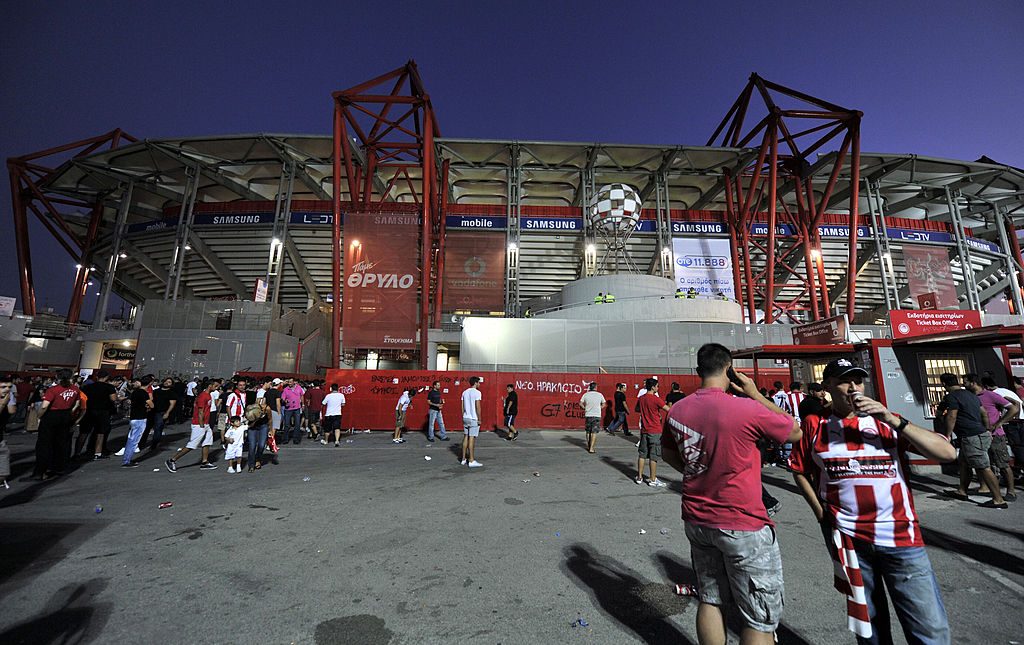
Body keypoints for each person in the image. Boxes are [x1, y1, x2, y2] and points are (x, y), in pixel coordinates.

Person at [790, 357, 955, 644]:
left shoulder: (886, 421)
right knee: (869, 629)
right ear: (827, 386)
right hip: (849, 541)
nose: (853, 388)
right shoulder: (815, 424)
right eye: (844, 381)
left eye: (858, 381)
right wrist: (820, 513)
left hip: (900, 537)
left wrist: (893, 420)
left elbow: (947, 453)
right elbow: (799, 469)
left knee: (928, 628)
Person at [660, 343, 800, 645]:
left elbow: (668, 454)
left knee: (710, 598)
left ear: (698, 371)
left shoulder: (678, 410)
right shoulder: (746, 408)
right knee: (758, 618)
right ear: (729, 369)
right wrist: (755, 393)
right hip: (742, 521)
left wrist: (697, 469)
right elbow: (794, 432)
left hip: (698, 519)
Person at [940, 373, 1006, 508]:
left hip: (972, 436)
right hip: (978, 434)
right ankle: (962, 491)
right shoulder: (971, 395)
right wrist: (987, 429)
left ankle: (998, 500)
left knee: (983, 467)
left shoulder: (952, 397)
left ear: (944, 384)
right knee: (964, 463)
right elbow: (984, 413)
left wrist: (947, 435)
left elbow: (952, 416)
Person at [968, 374, 1018, 502]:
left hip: (995, 435)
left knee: (1002, 463)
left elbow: (1013, 408)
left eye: (966, 382)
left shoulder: (990, 395)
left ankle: (1011, 491)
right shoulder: (971, 397)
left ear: (973, 383)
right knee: (984, 464)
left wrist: (999, 423)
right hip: (980, 434)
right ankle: (989, 489)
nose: (964, 384)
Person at [33, 369, 82, 480]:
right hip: (65, 415)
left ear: (58, 377)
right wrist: (70, 412)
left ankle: (41, 470)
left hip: (52, 416)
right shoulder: (75, 389)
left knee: (44, 444)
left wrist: (39, 416)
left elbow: (44, 406)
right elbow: (77, 403)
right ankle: (59, 467)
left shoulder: (53, 390)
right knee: (61, 443)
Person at [165, 380, 218, 472]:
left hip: (205, 423)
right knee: (192, 445)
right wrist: (201, 425)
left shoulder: (208, 395)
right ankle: (172, 460)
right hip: (199, 424)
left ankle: (204, 462)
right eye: (215, 386)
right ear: (210, 386)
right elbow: (200, 412)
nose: (217, 388)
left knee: (207, 442)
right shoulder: (203, 396)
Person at [636, 378, 671, 487]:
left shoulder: (641, 398)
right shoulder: (656, 399)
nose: (658, 388)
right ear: (653, 387)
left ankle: (639, 477)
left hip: (644, 430)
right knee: (653, 456)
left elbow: (637, 409)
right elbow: (668, 409)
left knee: (642, 454)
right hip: (655, 430)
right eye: (657, 386)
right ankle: (652, 479)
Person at [76, 369, 117, 460]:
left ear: (97, 377)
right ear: (106, 377)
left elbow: (81, 398)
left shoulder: (87, 387)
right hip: (103, 411)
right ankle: (97, 453)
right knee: (100, 433)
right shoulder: (109, 387)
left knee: (84, 433)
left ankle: (77, 453)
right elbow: (113, 399)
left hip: (89, 411)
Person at [121, 375, 152, 469]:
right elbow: (151, 404)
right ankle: (126, 461)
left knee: (131, 439)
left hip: (134, 417)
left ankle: (126, 459)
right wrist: (149, 406)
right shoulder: (144, 392)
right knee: (134, 440)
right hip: (140, 418)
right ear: (150, 383)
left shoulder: (135, 392)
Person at [144, 377, 178, 452]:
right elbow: (151, 400)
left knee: (158, 428)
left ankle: (154, 445)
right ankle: (142, 444)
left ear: (172, 384)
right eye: (166, 381)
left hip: (162, 412)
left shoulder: (172, 393)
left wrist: (167, 413)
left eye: (169, 382)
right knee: (147, 428)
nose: (167, 383)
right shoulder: (156, 391)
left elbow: (172, 404)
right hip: (152, 411)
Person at [461, 376, 483, 467]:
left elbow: (462, 407)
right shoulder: (477, 393)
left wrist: (463, 416)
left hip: (465, 417)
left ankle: (463, 459)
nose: (479, 384)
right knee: (472, 438)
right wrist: (480, 419)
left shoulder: (464, 392)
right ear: (475, 383)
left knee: (465, 436)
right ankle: (471, 460)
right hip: (473, 418)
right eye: (479, 382)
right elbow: (478, 407)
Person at [245, 397, 270, 472]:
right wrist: (256, 419)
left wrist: (271, 430)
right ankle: (251, 465)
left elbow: (270, 419)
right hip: (252, 428)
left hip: (263, 427)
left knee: (261, 445)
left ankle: (258, 459)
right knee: (252, 446)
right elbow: (249, 422)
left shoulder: (267, 408)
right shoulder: (250, 410)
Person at [580, 381, 606, 454]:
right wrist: (599, 408)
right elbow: (604, 404)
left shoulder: (586, 394)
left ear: (589, 387)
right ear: (596, 387)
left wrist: (584, 408)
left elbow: (580, 403)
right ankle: (591, 448)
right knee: (594, 432)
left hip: (588, 414)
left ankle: (589, 445)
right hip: (596, 415)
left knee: (588, 431)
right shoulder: (600, 395)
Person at [1, 375, 16, 488]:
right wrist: (2, 404)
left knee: (4, 472)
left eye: (9, 387)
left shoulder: (9, 396)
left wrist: (10, 400)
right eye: (3, 387)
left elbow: (12, 411)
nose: (7, 389)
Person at [281, 377, 304, 444]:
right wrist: (285, 400)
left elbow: (302, 395)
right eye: (288, 382)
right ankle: (285, 439)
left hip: (297, 408)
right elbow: (283, 398)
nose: (289, 383)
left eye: (291, 382)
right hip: (288, 409)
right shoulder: (286, 389)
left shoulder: (299, 388)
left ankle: (296, 439)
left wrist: (303, 404)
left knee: (297, 424)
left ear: (294, 382)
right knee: (287, 424)